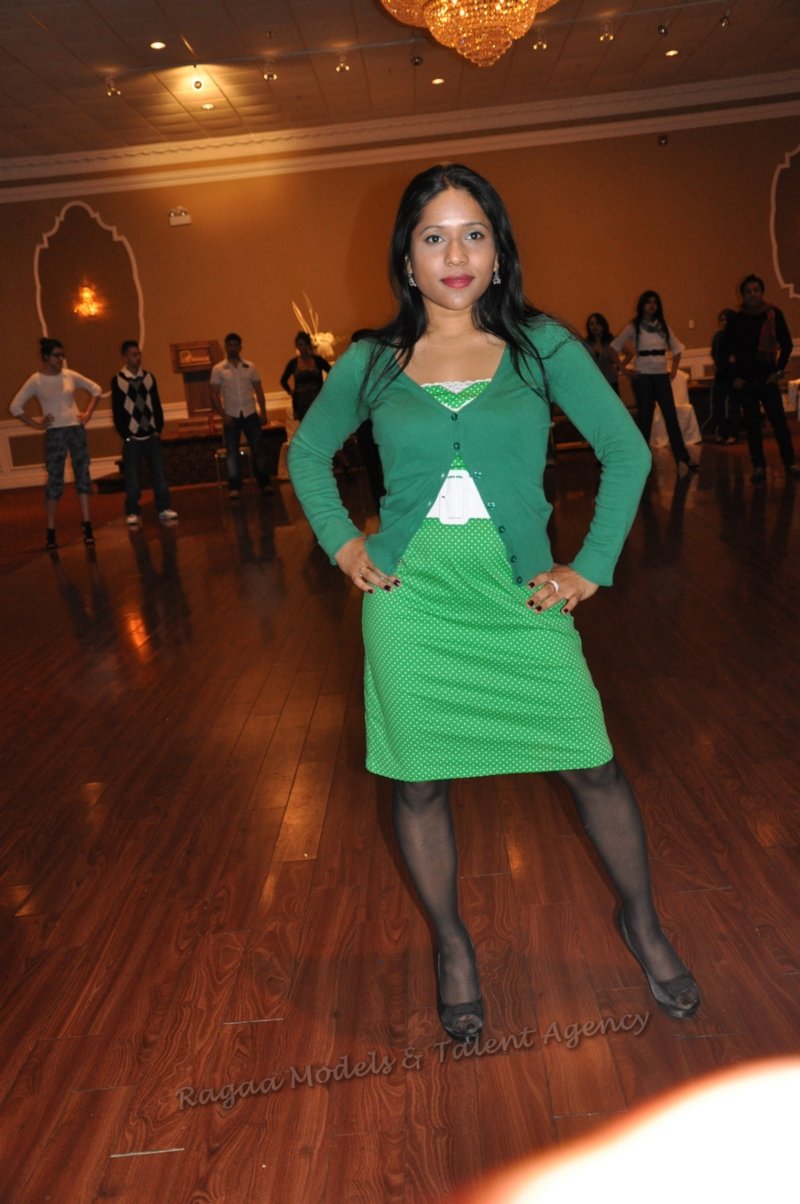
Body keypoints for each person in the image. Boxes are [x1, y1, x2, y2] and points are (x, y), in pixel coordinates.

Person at [289, 163, 701, 1043]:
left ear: (499, 252)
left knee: (592, 762)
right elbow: (307, 453)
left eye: (473, 234)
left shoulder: (540, 346)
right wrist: (345, 543)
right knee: (419, 783)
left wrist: (590, 566)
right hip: (411, 599)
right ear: (407, 259)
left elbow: (628, 451)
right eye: (434, 237)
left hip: (518, 592)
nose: (455, 255)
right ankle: (452, 946)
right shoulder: (374, 360)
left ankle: (642, 921)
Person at [9, 337, 102, 549]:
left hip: (75, 429)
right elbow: (15, 406)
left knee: (82, 476)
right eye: (56, 356)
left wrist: (87, 413)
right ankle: (50, 530)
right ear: (46, 357)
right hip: (55, 433)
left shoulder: (69, 375)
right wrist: (37, 424)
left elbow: (96, 389)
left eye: (62, 355)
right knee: (55, 480)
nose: (60, 359)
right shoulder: (36, 380)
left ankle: (87, 525)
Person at [611, 291, 697, 472]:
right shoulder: (634, 326)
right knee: (645, 418)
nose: (651, 306)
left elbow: (677, 348)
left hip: (661, 377)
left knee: (670, 416)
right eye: (648, 302)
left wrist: (674, 371)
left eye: (655, 303)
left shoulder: (663, 326)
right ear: (642, 305)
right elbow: (614, 347)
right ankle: (641, 460)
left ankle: (682, 456)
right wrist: (624, 370)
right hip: (643, 377)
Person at [726, 274, 799, 483]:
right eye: (748, 291)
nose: (752, 294)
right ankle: (758, 465)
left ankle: (790, 462)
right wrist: (735, 377)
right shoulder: (736, 319)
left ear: (762, 292)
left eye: (756, 290)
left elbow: (787, 344)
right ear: (743, 294)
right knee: (753, 425)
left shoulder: (773, 314)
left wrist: (778, 371)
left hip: (768, 379)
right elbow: (727, 350)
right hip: (747, 381)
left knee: (779, 422)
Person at [111, 340, 178, 526]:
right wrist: (125, 434)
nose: (137, 358)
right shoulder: (119, 380)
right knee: (132, 477)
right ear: (125, 358)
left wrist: (158, 429)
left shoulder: (148, 377)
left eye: (138, 354)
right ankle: (132, 510)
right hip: (132, 436)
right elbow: (117, 410)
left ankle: (164, 508)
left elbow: (156, 404)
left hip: (151, 434)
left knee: (159, 474)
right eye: (133, 355)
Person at [210, 332, 274, 499]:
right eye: (229, 345)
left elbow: (259, 390)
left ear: (240, 347)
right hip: (231, 414)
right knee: (232, 453)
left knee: (258, 450)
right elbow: (213, 394)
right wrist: (223, 415)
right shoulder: (218, 369)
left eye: (235, 345)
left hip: (250, 412)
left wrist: (263, 412)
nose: (232, 348)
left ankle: (265, 483)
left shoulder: (250, 367)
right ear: (226, 347)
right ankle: (234, 487)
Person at [279, 331, 332, 423]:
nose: (303, 347)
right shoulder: (293, 363)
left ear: (309, 345)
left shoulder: (318, 360)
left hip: (317, 400)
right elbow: (283, 380)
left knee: (320, 423)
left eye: (305, 344)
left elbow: (332, 372)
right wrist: (291, 392)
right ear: (297, 346)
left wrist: (326, 389)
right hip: (301, 402)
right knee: (305, 425)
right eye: (300, 345)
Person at [709, 309, 738, 444]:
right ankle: (722, 432)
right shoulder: (718, 336)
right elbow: (714, 353)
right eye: (721, 320)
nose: (724, 323)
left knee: (734, 405)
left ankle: (733, 433)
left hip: (733, 374)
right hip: (721, 374)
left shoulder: (737, 336)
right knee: (718, 404)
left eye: (726, 320)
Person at [584, 312, 620, 394]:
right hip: (594, 382)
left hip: (610, 381)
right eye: (591, 324)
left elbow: (630, 353)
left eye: (598, 323)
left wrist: (619, 368)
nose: (595, 326)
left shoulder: (611, 341)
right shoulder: (586, 343)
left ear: (603, 324)